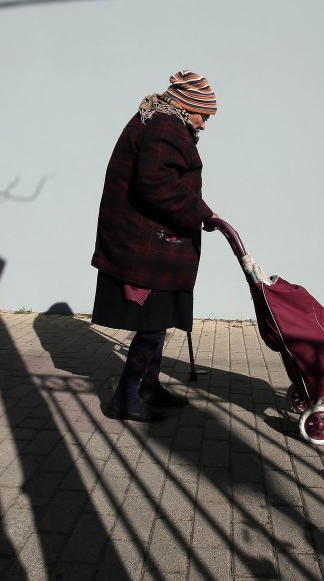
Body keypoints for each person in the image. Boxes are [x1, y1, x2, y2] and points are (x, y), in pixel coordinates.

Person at [91, 70, 219, 422]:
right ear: (188, 105)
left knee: (157, 322)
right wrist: (203, 212)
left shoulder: (158, 119)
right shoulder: (165, 125)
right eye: (204, 116)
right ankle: (126, 399)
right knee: (152, 323)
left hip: (147, 241)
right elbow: (157, 183)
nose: (205, 125)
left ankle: (147, 387)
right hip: (149, 245)